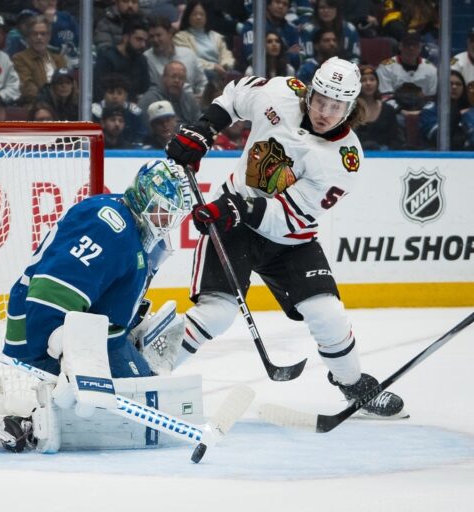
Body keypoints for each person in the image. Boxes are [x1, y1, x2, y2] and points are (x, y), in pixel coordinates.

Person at [164, 57, 407, 419]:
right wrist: (204, 129)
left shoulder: (345, 159)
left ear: (351, 107)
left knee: (328, 314)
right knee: (217, 314)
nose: (325, 111)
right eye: (320, 99)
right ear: (309, 91)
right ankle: (142, 373)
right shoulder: (280, 93)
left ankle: (352, 382)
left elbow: (287, 217)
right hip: (235, 228)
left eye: (336, 106)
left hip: (289, 238)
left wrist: (236, 208)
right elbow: (234, 96)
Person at [0, 159, 192, 451]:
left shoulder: (131, 223)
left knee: (143, 391)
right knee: (136, 404)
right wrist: (70, 356)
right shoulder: (108, 227)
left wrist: (128, 322)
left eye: (170, 215)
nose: (166, 222)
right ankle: (35, 420)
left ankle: (133, 349)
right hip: (43, 329)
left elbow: (106, 287)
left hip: (90, 334)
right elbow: (50, 290)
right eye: (162, 210)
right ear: (143, 196)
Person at [173, 1, 235, 84]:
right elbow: (189, 59)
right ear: (188, 16)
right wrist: (213, 67)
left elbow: (226, 54)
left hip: (220, 72)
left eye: (202, 14)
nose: (198, 17)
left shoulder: (216, 36)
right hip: (198, 73)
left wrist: (225, 65)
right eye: (194, 14)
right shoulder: (180, 37)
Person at [145, 15, 207, 98]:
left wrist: (201, 96)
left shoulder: (188, 54)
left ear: (170, 34)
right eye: (151, 36)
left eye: (159, 35)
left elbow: (202, 82)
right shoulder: (146, 59)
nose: (155, 40)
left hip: (192, 102)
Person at [93, 14, 150, 102]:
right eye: (139, 39)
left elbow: (144, 90)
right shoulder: (107, 58)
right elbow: (98, 91)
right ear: (126, 38)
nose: (143, 45)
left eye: (145, 41)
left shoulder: (142, 60)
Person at [12, 15, 67, 106]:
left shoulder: (59, 59)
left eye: (43, 34)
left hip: (61, 105)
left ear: (49, 37)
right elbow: (27, 87)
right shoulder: (19, 58)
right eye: (35, 34)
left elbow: (68, 83)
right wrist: (51, 99)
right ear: (29, 37)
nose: (39, 37)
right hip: (36, 106)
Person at [376, 30, 437, 108]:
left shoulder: (430, 68)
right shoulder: (386, 67)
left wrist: (422, 112)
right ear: (400, 46)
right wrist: (400, 110)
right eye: (407, 44)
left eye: (415, 45)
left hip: (423, 110)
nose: (411, 48)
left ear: (420, 47)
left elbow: (431, 98)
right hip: (395, 111)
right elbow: (385, 97)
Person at [419, 70, 474, 151]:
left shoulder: (470, 110)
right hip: (439, 156)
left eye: (458, 84)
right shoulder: (430, 109)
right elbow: (438, 137)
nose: (454, 87)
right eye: (450, 83)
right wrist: (457, 115)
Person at [354, 64, 403, 150]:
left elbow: (395, 140)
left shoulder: (388, 110)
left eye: (372, 79)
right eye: (363, 80)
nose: (368, 83)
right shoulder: (350, 110)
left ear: (377, 83)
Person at [239, 0, 300, 70]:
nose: (281, 6)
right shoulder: (252, 25)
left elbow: (296, 59)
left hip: (283, 72)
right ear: (268, 4)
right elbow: (252, 57)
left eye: (285, 4)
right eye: (277, 2)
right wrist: (282, 55)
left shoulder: (292, 29)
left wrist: (274, 56)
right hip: (255, 73)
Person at [139, 60, 202, 126]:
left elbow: (199, 122)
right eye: (173, 76)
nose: (177, 81)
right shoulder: (150, 99)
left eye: (181, 78)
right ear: (163, 77)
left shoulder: (189, 99)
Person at [299, 0, 360, 65]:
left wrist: (346, 70)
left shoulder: (350, 29)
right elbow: (306, 59)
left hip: (344, 69)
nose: (326, 11)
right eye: (322, 7)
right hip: (316, 70)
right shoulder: (308, 30)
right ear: (317, 10)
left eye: (331, 7)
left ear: (337, 10)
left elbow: (355, 57)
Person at [91, 73, 146, 145]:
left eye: (119, 93)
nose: (115, 97)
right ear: (104, 94)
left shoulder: (134, 113)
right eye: (110, 92)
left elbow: (140, 136)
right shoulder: (95, 111)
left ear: (126, 95)